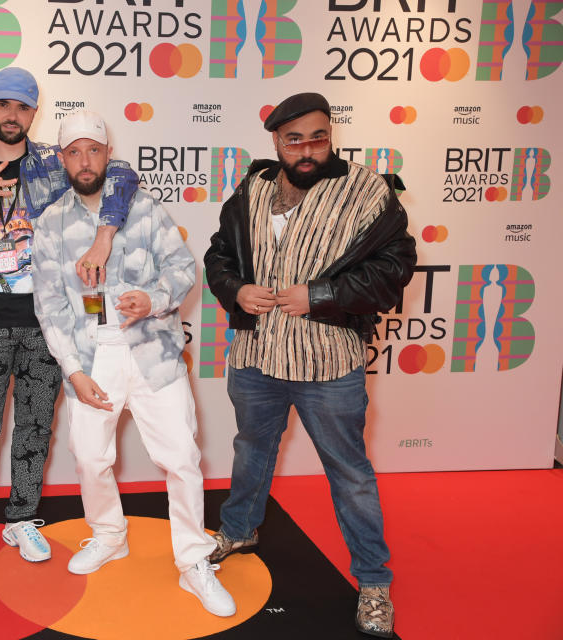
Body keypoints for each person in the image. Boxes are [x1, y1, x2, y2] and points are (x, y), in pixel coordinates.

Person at [203, 92, 417, 637]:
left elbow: (395, 270)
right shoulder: (252, 188)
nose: (306, 148)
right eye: (293, 138)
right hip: (256, 357)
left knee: (349, 473)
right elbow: (218, 257)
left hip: (328, 363)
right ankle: (239, 530)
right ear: (276, 141)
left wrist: (320, 294)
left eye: (317, 136)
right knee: (251, 449)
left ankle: (373, 582)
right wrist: (236, 289)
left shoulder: (369, 190)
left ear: (331, 135)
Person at [0, 69, 137, 594]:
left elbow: (123, 178)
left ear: (33, 114)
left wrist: (103, 237)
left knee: (33, 428)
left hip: (49, 321)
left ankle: (22, 518)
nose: (12, 115)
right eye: (3, 105)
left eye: (22, 108)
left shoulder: (57, 161)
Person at [32, 110, 236, 618]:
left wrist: (155, 298)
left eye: (94, 150)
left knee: (181, 460)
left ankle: (193, 561)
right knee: (90, 457)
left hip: (155, 355)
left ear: (108, 154)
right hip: (91, 359)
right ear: (62, 159)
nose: (85, 161)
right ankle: (108, 536)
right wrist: (73, 371)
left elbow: (183, 267)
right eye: (74, 152)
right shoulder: (51, 223)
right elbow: (49, 305)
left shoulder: (144, 209)